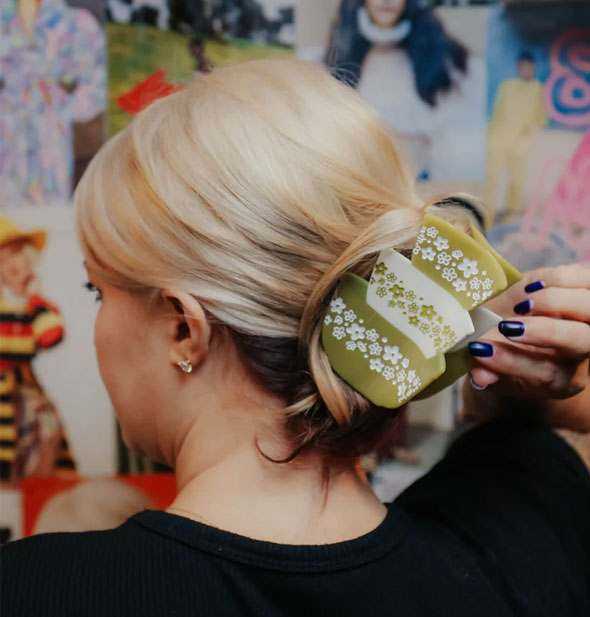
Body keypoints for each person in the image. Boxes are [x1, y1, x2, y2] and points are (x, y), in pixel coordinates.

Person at [2, 59, 589, 616]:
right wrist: (499, 383)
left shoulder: (38, 593)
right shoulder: (516, 547)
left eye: (97, 294)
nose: (96, 326)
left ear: (184, 328)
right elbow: (540, 438)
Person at [320, 0, 486, 181]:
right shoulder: (331, 62)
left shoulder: (443, 63)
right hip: (362, 188)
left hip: (422, 188)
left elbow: (460, 147)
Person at [0, 0, 105, 207]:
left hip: (51, 130)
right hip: (7, 126)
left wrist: (64, 110)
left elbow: (97, 81)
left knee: (51, 202)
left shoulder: (75, 21)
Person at [0, 216, 76, 486]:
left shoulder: (38, 307)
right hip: (3, 401)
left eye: (16, 253)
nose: (12, 264)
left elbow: (51, 337)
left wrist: (34, 298)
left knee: (48, 442)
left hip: (28, 397)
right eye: (3, 257)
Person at [486, 51, 548, 222]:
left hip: (521, 143)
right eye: (522, 66)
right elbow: (497, 112)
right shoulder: (507, 86)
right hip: (498, 139)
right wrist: (492, 135)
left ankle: (510, 219)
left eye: (528, 66)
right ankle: (487, 216)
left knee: (516, 182)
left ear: (533, 67)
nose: (525, 70)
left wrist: (528, 132)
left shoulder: (538, 89)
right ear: (518, 67)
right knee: (491, 178)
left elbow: (541, 118)